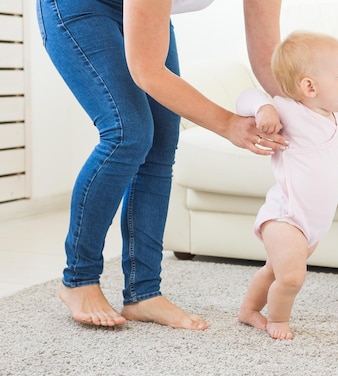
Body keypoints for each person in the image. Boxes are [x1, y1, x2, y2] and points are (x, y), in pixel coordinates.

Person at [36, 0, 290, 329]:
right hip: (81, 6)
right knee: (128, 133)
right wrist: (227, 124)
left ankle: (143, 293)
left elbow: (269, 61)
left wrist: (319, 119)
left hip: (144, 11)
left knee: (160, 145)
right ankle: (79, 279)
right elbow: (148, 71)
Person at [236, 31, 338, 339]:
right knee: (292, 277)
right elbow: (245, 96)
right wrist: (263, 109)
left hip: (313, 224)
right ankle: (279, 320)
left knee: (273, 271)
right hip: (286, 217)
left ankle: (248, 310)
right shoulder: (290, 111)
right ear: (309, 86)